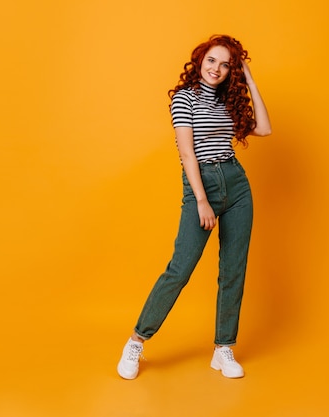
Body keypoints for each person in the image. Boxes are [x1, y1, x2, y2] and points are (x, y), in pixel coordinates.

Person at [117, 34, 271, 380]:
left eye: (226, 64)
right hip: (202, 184)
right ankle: (136, 342)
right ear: (200, 60)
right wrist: (202, 200)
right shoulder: (184, 98)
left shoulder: (229, 102)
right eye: (212, 60)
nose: (217, 69)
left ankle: (223, 349)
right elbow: (187, 153)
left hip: (237, 184)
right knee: (180, 268)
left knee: (233, 269)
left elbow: (265, 127)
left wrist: (250, 80)